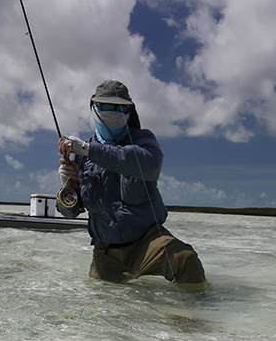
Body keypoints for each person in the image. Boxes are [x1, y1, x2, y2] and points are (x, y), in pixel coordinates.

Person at [56, 79, 207, 290]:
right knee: (101, 309)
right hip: (106, 252)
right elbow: (72, 213)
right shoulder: (81, 157)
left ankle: (196, 317)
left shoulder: (142, 140)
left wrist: (90, 150)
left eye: (121, 108)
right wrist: (68, 186)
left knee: (185, 259)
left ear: (130, 111)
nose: (114, 112)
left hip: (148, 241)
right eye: (106, 106)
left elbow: (151, 166)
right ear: (94, 108)